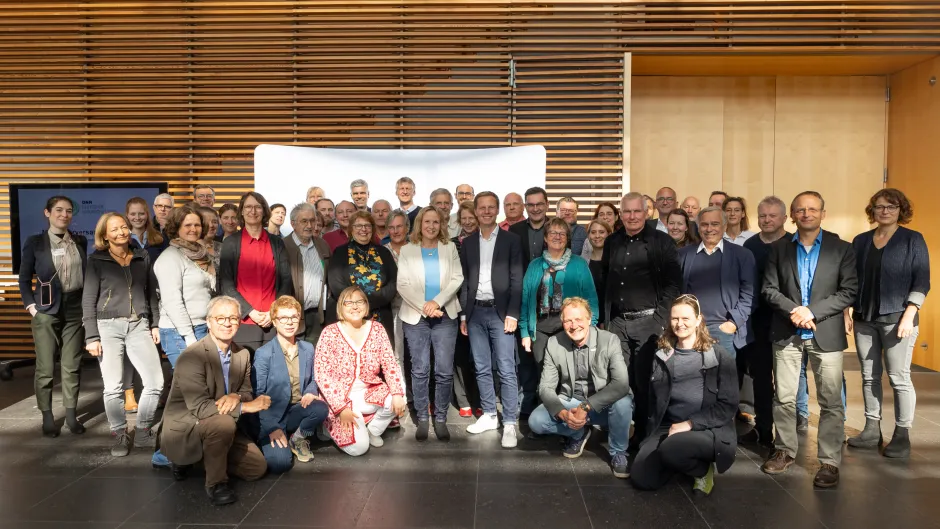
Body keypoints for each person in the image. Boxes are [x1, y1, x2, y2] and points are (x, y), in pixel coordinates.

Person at [760, 191, 857, 489]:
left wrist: (810, 311)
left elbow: (848, 291)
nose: (806, 214)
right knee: (785, 397)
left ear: (823, 214)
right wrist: (795, 311)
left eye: (812, 209)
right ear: (792, 215)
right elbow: (769, 289)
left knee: (829, 400)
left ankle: (829, 461)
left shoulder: (842, 249)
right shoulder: (777, 249)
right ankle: (785, 450)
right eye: (800, 210)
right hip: (787, 332)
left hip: (825, 331)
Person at [158, 296, 271, 506]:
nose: (227, 323)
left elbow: (245, 390)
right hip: (188, 425)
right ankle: (216, 484)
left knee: (256, 468)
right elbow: (200, 408)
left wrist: (236, 396)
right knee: (224, 423)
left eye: (233, 318)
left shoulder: (242, 354)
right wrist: (246, 406)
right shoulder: (191, 356)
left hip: (219, 425)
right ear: (208, 322)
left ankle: (195, 460)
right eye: (220, 318)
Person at [847, 188, 929, 459]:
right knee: (870, 376)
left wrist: (909, 313)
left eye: (891, 207)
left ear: (900, 211)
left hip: (898, 319)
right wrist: (848, 308)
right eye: (880, 206)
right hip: (864, 319)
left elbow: (921, 280)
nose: (885, 211)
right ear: (873, 210)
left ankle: (902, 434)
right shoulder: (860, 241)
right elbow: (851, 278)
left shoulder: (912, 240)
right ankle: (872, 430)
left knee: (898, 377)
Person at [630, 295, 739, 495]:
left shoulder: (720, 356)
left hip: (707, 428)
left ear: (698, 320)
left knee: (672, 449)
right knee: (641, 478)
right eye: (675, 319)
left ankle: (701, 470)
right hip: (668, 425)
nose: (679, 324)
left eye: (686, 319)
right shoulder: (663, 353)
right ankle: (677, 461)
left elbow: (727, 406)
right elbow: (653, 399)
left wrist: (689, 424)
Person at [600, 192, 682, 445]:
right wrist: (606, 320)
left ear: (647, 212)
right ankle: (623, 430)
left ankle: (646, 436)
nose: (632, 216)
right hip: (618, 323)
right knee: (620, 380)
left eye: (637, 211)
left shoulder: (662, 242)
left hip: (649, 323)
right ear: (620, 214)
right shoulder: (612, 241)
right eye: (627, 211)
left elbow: (673, 285)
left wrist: (659, 320)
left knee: (646, 381)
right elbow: (606, 280)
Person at [82, 212, 164, 456]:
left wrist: (155, 323)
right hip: (107, 327)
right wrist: (91, 336)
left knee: (156, 382)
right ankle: (119, 434)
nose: (121, 232)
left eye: (124, 227)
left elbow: (150, 293)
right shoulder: (96, 260)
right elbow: (88, 300)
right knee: (113, 387)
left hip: (139, 324)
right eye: (115, 229)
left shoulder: (142, 256)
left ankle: (143, 429)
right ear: (105, 236)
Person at [527, 297, 634, 478]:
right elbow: (545, 387)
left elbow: (621, 384)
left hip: (603, 402)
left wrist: (586, 407)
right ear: (562, 322)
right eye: (568, 320)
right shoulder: (554, 343)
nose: (573, 325)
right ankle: (577, 433)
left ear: (589, 319)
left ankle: (618, 452)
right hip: (572, 400)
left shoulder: (609, 340)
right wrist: (562, 413)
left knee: (622, 402)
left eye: (578, 319)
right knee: (536, 421)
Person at [459, 191, 524, 448]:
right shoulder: (468, 242)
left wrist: (513, 314)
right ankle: (488, 414)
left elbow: (517, 279)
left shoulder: (511, 240)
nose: (486, 211)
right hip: (475, 313)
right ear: (475, 211)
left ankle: (509, 422)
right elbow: (465, 280)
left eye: (491, 207)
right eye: (482, 207)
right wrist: (464, 314)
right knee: (481, 366)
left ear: (497, 210)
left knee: (507, 368)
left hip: (501, 313)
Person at [19, 196, 88, 437]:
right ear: (47, 213)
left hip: (74, 308)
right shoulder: (35, 242)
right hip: (45, 309)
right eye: (58, 210)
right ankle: (47, 416)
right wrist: (31, 307)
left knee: (72, 366)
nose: (64, 215)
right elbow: (24, 278)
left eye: (69, 211)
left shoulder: (79, 240)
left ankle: (71, 416)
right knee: (46, 367)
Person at [519, 218, 600, 416]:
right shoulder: (535, 265)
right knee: (543, 375)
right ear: (545, 238)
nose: (557, 237)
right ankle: (545, 417)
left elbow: (591, 298)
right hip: (540, 328)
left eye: (562, 233)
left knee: (569, 375)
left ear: (567, 239)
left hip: (570, 328)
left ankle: (571, 419)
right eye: (552, 233)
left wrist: (590, 327)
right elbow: (525, 299)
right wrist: (525, 332)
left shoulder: (579, 264)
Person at [315, 286, 407, 456]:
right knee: (359, 449)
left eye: (359, 301)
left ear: (366, 305)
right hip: (339, 398)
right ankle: (330, 425)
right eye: (348, 302)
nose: (355, 306)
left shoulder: (377, 329)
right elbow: (322, 374)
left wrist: (396, 394)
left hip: (368, 393)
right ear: (341, 307)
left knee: (399, 396)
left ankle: (373, 430)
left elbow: (389, 363)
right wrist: (341, 408)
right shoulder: (330, 333)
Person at [398, 207, 463, 440]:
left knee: (444, 370)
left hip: (445, 315)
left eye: (436, 222)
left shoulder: (449, 247)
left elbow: (457, 278)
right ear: (419, 224)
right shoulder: (407, 250)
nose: (431, 226)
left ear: (441, 225)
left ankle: (442, 417)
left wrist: (436, 302)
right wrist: (425, 306)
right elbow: (403, 285)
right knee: (420, 369)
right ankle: (423, 418)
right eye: (427, 221)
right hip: (416, 318)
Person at [253, 295, 329, 473]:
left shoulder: (308, 348)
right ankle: (271, 438)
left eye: (294, 317)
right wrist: (271, 428)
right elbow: (258, 395)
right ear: (274, 321)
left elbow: (314, 378)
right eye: (283, 318)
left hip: (296, 410)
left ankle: (298, 438)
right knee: (280, 464)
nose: (289, 322)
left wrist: (311, 391)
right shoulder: (264, 354)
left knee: (320, 408)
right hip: (272, 415)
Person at [738, 196, 790, 448]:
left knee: (786, 382)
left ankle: (786, 434)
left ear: (784, 218)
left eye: (772, 215)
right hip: (756, 322)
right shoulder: (749, 245)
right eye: (762, 216)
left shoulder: (793, 243)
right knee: (759, 378)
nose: (767, 220)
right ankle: (763, 429)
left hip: (786, 322)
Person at [219, 192, 294, 353]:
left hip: (272, 321)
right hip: (243, 322)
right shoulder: (231, 243)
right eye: (248, 207)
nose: (253, 211)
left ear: (264, 211)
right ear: (241, 212)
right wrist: (250, 311)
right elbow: (226, 284)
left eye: (257, 207)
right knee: (245, 373)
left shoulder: (277, 243)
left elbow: (286, 280)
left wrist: (273, 310)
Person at [677, 206, 756, 359]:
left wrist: (732, 324)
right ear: (698, 227)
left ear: (724, 226)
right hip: (691, 329)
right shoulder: (683, 255)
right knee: (692, 380)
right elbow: (675, 291)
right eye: (705, 224)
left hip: (724, 330)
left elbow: (750, 294)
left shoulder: (742, 255)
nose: (709, 229)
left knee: (724, 380)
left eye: (715, 224)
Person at [154, 205, 216, 368]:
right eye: (187, 225)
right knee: (192, 384)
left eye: (197, 225)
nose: (193, 229)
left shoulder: (201, 254)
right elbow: (172, 301)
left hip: (203, 327)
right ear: (176, 228)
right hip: (179, 332)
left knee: (203, 384)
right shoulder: (170, 257)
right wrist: (189, 337)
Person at [328, 211, 398, 338]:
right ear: (351, 229)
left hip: (381, 316)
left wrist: (367, 303)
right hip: (350, 316)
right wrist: (358, 304)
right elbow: (336, 285)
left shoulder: (384, 252)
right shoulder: (340, 252)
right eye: (358, 226)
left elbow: (393, 283)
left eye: (367, 225)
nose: (363, 229)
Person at [282, 203, 330, 344]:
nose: (310, 225)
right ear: (292, 223)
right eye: (304, 221)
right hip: (292, 317)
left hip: (318, 316)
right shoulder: (282, 246)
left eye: (312, 220)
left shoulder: (322, 245)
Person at [451, 202, 480, 418]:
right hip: (454, 304)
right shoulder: (452, 244)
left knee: (479, 357)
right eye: (465, 218)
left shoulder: (486, 242)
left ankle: (478, 398)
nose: (468, 222)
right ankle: (463, 399)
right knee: (459, 356)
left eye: (472, 217)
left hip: (478, 304)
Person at [509, 186, 549, 264]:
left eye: (539, 204)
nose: (535, 209)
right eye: (531, 205)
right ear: (525, 206)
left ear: (547, 205)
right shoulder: (514, 230)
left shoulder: (558, 229)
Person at [585, 219, 612, 322]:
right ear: (588, 236)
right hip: (590, 318)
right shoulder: (583, 262)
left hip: (612, 319)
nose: (597, 236)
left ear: (609, 234)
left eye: (601, 232)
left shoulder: (616, 260)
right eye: (593, 232)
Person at [126, 196, 167, 262]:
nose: (137, 218)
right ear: (127, 215)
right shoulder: (123, 240)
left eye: (141, 214)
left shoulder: (160, 238)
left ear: (147, 214)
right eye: (133, 214)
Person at [196, 206, 223, 272]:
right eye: (206, 221)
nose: (211, 225)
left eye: (214, 222)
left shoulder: (224, 248)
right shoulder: (187, 248)